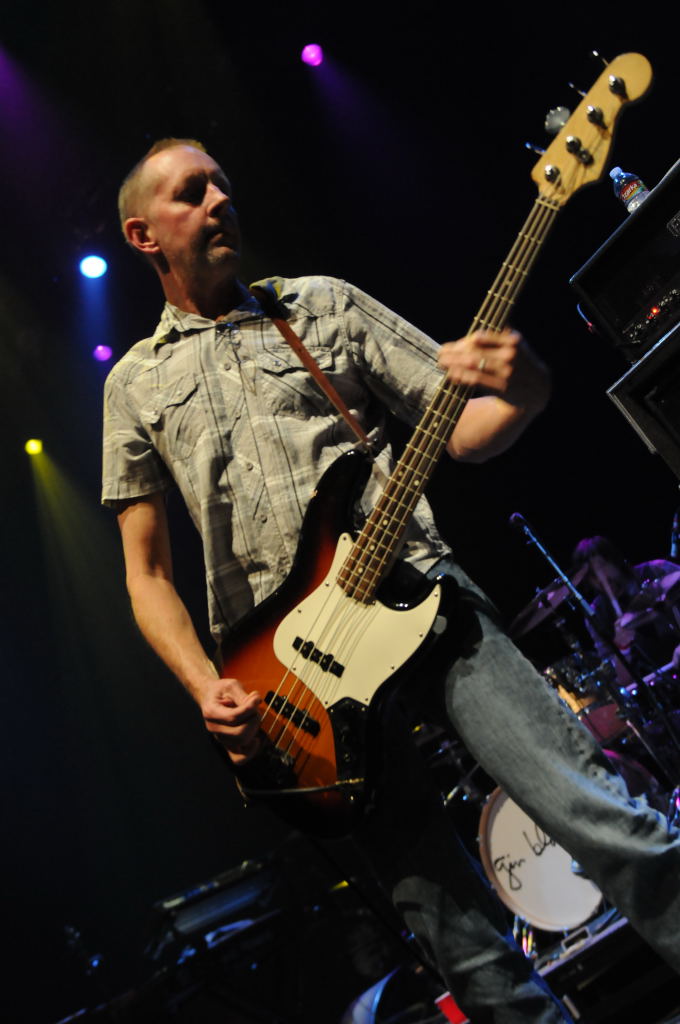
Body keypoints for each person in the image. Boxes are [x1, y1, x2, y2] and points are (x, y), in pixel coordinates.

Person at [103, 138, 680, 1023]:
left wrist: (523, 393)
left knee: (599, 814)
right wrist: (204, 686)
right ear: (144, 234)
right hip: (292, 688)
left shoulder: (322, 304)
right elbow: (145, 574)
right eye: (192, 192)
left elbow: (459, 426)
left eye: (222, 182)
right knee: (462, 947)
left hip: (423, 596)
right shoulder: (135, 385)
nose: (220, 199)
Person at [572, 535, 680, 682]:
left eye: (602, 565)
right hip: (663, 685)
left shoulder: (656, 569)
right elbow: (622, 681)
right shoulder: (596, 614)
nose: (600, 577)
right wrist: (623, 648)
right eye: (591, 574)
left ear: (614, 560)